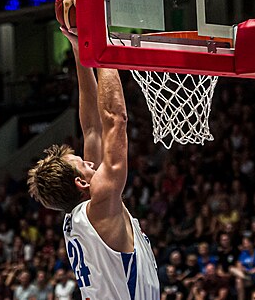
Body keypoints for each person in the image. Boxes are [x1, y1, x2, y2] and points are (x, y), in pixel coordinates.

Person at [28, 26, 159, 299]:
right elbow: (114, 120)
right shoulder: (99, 205)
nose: (91, 163)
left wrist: (80, 51)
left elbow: (92, 129)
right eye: (85, 165)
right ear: (81, 182)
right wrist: (102, 46)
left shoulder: (79, 216)